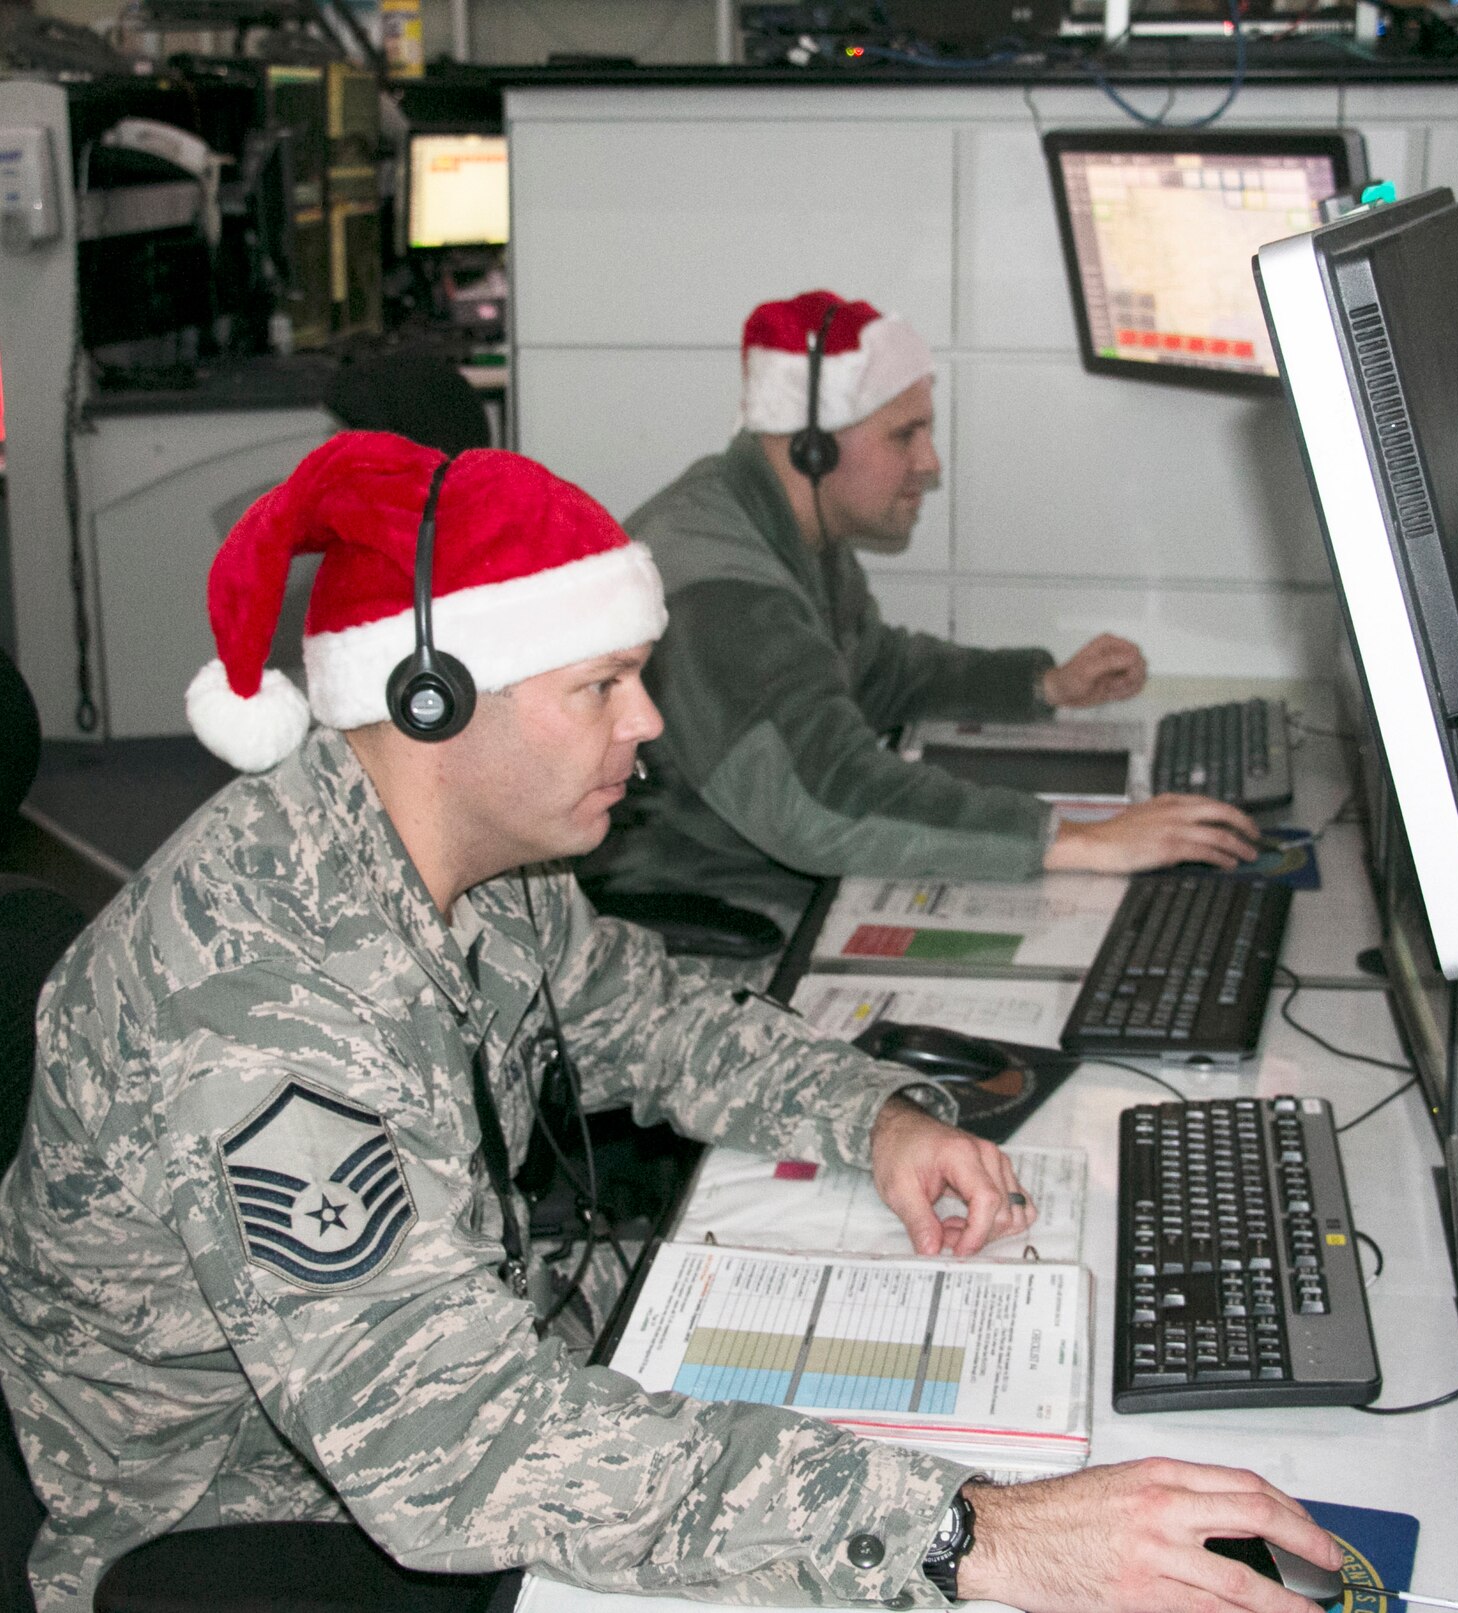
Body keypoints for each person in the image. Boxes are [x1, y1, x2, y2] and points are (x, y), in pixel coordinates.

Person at [0, 433, 1341, 1613]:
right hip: (248, 1524)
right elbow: (455, 1449)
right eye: (602, 687)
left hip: (439, 1384)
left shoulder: (482, 854)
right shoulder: (266, 1005)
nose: (647, 722)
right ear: (432, 699)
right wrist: (962, 1531)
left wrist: (869, 1114)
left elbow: (643, 1012)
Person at [579, 289, 1262, 923]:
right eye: (904, 435)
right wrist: (1078, 840)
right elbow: (825, 795)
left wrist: (1042, 683)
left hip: (748, 876)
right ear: (811, 446)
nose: (930, 462)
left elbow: (872, 670)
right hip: (700, 909)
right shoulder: (724, 590)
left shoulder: (780, 527)